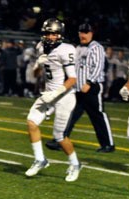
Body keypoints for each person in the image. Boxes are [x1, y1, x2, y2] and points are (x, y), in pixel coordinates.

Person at [25, 18, 82, 182]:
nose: (50, 37)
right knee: (31, 122)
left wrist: (55, 93)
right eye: (48, 33)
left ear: (60, 35)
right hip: (48, 93)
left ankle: (75, 164)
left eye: (54, 34)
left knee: (59, 136)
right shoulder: (41, 47)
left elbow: (72, 79)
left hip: (64, 95)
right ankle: (40, 159)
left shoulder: (66, 49)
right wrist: (37, 65)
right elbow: (36, 76)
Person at [45, 23, 115, 153]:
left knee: (98, 116)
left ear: (91, 33)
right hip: (77, 89)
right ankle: (60, 140)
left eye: (86, 32)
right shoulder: (77, 48)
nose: (83, 35)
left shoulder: (96, 47)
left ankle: (108, 144)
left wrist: (89, 82)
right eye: (81, 32)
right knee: (70, 114)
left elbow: (99, 66)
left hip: (91, 88)